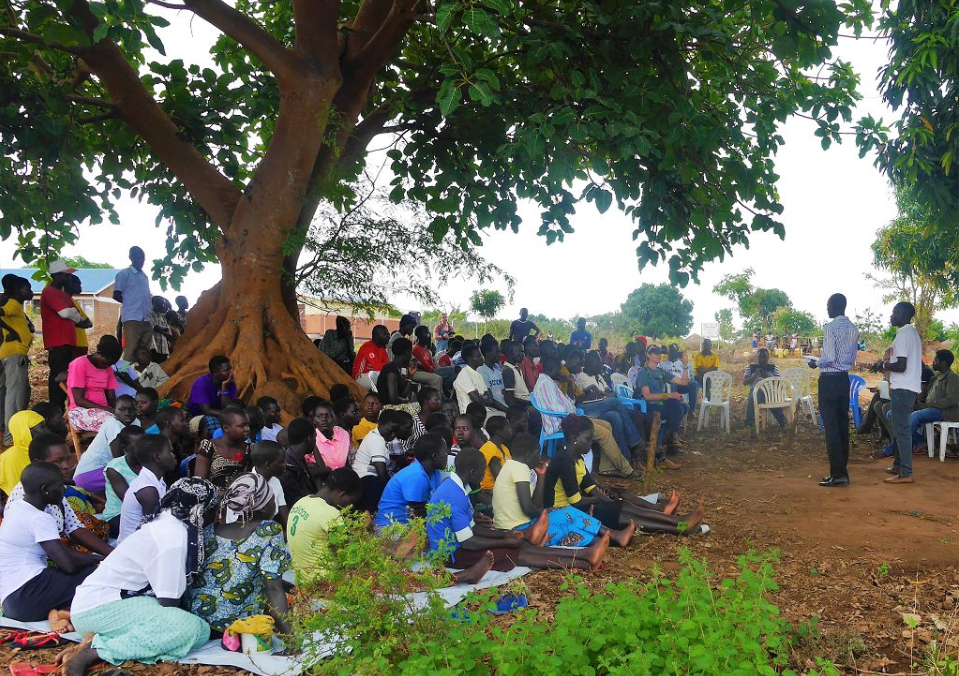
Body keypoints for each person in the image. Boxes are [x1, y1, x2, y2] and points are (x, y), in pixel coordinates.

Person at [65, 479, 220, 676]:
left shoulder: (165, 522)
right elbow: (168, 602)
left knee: (196, 628)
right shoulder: (174, 535)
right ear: (201, 510)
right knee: (192, 628)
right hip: (99, 610)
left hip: (98, 607)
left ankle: (98, 642)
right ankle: (96, 652)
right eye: (214, 510)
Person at [427, 448, 610, 578]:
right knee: (518, 554)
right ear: (473, 472)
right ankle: (583, 561)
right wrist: (504, 541)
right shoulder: (454, 497)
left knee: (522, 546)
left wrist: (505, 535)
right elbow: (468, 542)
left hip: (462, 546)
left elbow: (474, 529)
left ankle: (584, 555)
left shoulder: (458, 488)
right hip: (454, 554)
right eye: (482, 473)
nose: (483, 477)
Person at [544, 415, 705, 535]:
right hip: (562, 513)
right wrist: (601, 500)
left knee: (623, 506)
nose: (590, 443)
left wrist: (610, 501)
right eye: (588, 439)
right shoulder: (564, 460)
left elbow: (589, 485)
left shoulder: (576, 457)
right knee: (624, 515)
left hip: (574, 508)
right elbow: (576, 501)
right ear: (573, 438)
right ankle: (680, 526)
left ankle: (679, 522)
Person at [189, 473, 291, 633]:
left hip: (199, 623)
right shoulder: (269, 530)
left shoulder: (210, 530)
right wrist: (291, 637)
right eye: (272, 498)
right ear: (264, 505)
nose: (274, 502)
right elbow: (273, 589)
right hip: (236, 626)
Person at [493, 433, 635, 548]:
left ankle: (609, 540)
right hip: (519, 529)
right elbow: (528, 509)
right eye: (538, 453)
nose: (539, 457)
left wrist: (541, 477)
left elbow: (534, 505)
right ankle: (614, 535)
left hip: (517, 526)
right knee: (567, 513)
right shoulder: (519, 468)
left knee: (567, 525)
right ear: (529, 455)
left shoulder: (512, 467)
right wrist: (545, 513)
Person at [0, 462, 101, 621]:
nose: (64, 490)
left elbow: (63, 553)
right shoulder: (39, 518)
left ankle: (60, 612)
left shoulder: (17, 507)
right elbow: (68, 564)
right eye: (60, 486)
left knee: (86, 574)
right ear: (45, 490)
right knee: (97, 574)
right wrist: (99, 560)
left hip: (11, 603)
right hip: (27, 595)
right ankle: (68, 612)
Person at [6, 433, 114, 556]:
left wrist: (114, 554)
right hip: (34, 558)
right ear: (38, 463)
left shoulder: (54, 487)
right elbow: (55, 551)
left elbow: (74, 527)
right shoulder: (28, 494)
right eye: (58, 461)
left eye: (68, 459)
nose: (66, 466)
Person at [533, 358, 638, 478]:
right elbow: (558, 409)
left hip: (569, 418)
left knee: (607, 425)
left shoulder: (550, 382)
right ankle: (627, 470)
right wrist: (572, 410)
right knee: (604, 434)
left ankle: (606, 468)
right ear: (552, 369)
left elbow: (569, 402)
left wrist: (569, 386)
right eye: (558, 370)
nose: (561, 373)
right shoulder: (545, 383)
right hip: (562, 423)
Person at [807, 294, 859, 487]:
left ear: (834, 306)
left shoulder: (830, 328)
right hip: (843, 379)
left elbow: (829, 357)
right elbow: (852, 357)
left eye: (828, 305)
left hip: (829, 379)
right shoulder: (853, 328)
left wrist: (815, 363)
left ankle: (838, 474)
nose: (827, 309)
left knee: (831, 427)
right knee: (842, 424)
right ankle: (841, 471)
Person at [288, 467, 363, 585]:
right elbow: (349, 556)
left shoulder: (301, 502)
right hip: (326, 584)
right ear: (342, 494)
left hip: (301, 581)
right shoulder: (330, 514)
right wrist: (362, 530)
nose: (349, 506)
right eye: (351, 501)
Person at [569, 350, 646, 464]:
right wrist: (605, 395)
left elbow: (610, 393)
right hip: (588, 409)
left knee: (615, 415)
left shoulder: (598, 376)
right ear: (590, 365)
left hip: (602, 407)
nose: (601, 366)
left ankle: (625, 458)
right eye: (598, 364)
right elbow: (598, 395)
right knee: (614, 402)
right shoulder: (582, 377)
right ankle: (635, 441)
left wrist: (604, 395)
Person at [876, 302, 923, 484]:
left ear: (903, 314)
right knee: (898, 429)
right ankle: (898, 466)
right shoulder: (912, 334)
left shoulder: (903, 334)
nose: (891, 316)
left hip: (903, 389)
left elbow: (901, 366)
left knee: (902, 431)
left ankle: (906, 473)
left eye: (894, 312)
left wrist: (884, 364)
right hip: (907, 388)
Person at [41, 261, 90, 407]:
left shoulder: (63, 295)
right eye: (66, 275)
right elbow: (65, 313)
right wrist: (74, 314)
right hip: (58, 341)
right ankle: (55, 409)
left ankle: (62, 409)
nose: (69, 278)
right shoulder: (49, 291)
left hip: (68, 341)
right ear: (57, 275)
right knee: (58, 376)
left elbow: (75, 314)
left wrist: (73, 314)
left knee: (65, 376)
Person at [374, 434, 446, 530]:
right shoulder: (416, 476)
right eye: (445, 453)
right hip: (390, 528)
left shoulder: (434, 473)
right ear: (435, 456)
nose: (447, 455)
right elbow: (419, 515)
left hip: (406, 526)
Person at [73, 395, 139, 494]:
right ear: (114, 411)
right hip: (90, 475)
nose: (127, 413)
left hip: (103, 471)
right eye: (122, 410)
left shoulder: (136, 422)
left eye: (132, 410)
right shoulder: (113, 424)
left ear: (137, 410)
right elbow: (118, 461)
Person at [118, 435, 177, 542]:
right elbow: (154, 531)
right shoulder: (148, 490)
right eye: (170, 452)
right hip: (135, 546)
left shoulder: (156, 481)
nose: (173, 456)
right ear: (157, 457)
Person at [66, 335, 122, 433]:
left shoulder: (108, 368)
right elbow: (79, 400)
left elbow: (112, 398)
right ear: (98, 353)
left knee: (126, 419)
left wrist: (120, 410)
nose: (106, 367)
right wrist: (106, 409)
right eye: (105, 363)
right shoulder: (80, 364)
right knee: (112, 423)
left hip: (103, 411)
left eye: (110, 365)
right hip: (80, 412)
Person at [0, 275, 34, 432]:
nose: (30, 291)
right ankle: (11, 433)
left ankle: (6, 428)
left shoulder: (13, 304)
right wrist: (13, 331)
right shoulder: (12, 303)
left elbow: (29, 326)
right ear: (18, 289)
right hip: (14, 352)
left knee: (14, 390)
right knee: (15, 395)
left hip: (11, 352)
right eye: (28, 288)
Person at [351, 408, 402, 512]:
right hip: (366, 480)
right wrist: (391, 493)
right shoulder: (376, 440)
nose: (393, 435)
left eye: (395, 432)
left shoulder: (377, 437)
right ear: (379, 424)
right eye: (389, 431)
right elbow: (381, 472)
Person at [909, 350, 959, 454]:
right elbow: (927, 397)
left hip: (944, 412)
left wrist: (927, 405)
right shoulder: (935, 377)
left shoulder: (952, 377)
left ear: (943, 362)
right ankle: (920, 442)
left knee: (916, 415)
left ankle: (895, 447)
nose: (933, 362)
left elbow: (951, 399)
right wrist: (918, 404)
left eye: (936, 360)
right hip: (929, 409)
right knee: (893, 414)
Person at [112, 246, 154, 361]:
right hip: (132, 317)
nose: (141, 260)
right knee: (131, 349)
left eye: (143, 258)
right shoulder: (124, 274)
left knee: (144, 351)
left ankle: (139, 370)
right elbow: (116, 294)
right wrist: (131, 302)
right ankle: (125, 369)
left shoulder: (144, 276)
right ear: (131, 257)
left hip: (146, 318)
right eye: (138, 257)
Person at [194, 408, 252, 490]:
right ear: (226, 428)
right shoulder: (208, 447)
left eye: (248, 425)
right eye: (242, 426)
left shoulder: (251, 449)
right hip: (213, 496)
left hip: (243, 496)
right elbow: (199, 483)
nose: (247, 429)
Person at [0, 409, 46, 498]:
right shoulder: (10, 457)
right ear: (25, 431)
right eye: (42, 427)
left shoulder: (41, 450)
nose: (46, 431)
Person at [280, 417, 324, 508]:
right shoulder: (287, 466)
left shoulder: (297, 458)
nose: (315, 442)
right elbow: (297, 501)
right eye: (315, 437)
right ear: (308, 438)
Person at [454, 344, 502, 422]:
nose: (482, 358)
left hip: (485, 410)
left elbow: (489, 400)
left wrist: (481, 397)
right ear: (470, 359)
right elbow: (477, 401)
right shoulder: (464, 375)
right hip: (471, 415)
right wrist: (483, 397)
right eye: (479, 356)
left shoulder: (478, 374)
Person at [741, 348, 787, 430]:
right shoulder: (750, 368)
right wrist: (754, 375)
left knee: (775, 405)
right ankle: (749, 425)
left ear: (768, 358)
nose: (762, 359)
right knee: (752, 399)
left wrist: (767, 377)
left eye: (764, 357)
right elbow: (744, 382)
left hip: (769, 391)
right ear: (757, 358)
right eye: (760, 357)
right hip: (756, 391)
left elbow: (779, 383)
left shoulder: (773, 368)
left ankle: (785, 426)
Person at [309, 399, 350, 471]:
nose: (324, 419)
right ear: (314, 420)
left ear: (335, 419)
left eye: (328, 416)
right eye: (319, 416)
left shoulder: (344, 434)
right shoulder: (310, 439)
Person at [659, 345, 699, 415]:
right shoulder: (662, 364)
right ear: (668, 353)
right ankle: (675, 407)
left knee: (694, 384)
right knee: (672, 383)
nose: (673, 354)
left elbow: (687, 378)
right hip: (668, 386)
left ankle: (691, 411)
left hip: (681, 385)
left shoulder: (681, 363)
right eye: (671, 351)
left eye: (675, 351)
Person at [477, 415, 513, 492]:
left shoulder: (503, 448)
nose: (511, 431)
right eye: (508, 428)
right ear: (498, 432)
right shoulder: (490, 449)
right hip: (489, 492)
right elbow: (501, 480)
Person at [413, 325, 455, 390]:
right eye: (425, 334)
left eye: (428, 334)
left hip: (432, 370)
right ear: (418, 336)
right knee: (454, 369)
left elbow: (431, 364)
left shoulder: (426, 349)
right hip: (427, 372)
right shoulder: (416, 349)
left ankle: (445, 392)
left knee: (454, 373)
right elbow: (425, 366)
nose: (428, 336)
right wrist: (436, 371)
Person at [377, 336, 415, 405]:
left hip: (395, 406)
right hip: (387, 407)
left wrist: (410, 376)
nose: (411, 355)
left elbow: (403, 395)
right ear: (406, 353)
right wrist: (407, 402)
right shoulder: (391, 370)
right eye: (410, 352)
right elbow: (393, 399)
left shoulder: (399, 368)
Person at [352, 325, 391, 390]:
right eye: (385, 334)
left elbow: (387, 365)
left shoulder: (382, 349)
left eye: (389, 335)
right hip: (359, 377)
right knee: (383, 376)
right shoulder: (367, 346)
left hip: (372, 376)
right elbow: (377, 367)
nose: (388, 337)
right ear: (376, 336)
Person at [147, 296, 173, 364]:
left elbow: (169, 334)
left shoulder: (163, 318)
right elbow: (155, 328)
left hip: (164, 350)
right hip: (153, 349)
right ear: (154, 304)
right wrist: (164, 330)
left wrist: (162, 330)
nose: (164, 306)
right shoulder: (148, 314)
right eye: (161, 304)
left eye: (164, 304)